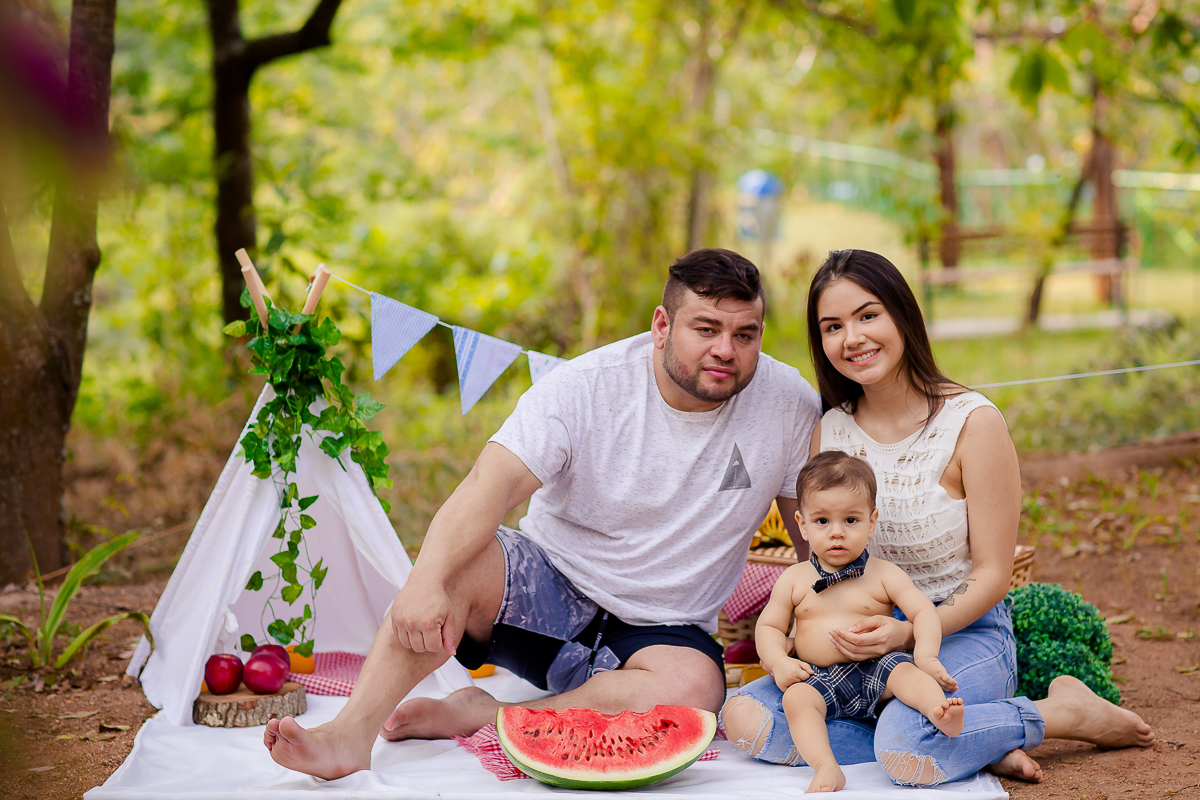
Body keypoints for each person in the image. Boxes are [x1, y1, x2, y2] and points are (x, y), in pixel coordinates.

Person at [263, 248, 823, 779]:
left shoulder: (785, 403)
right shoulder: (586, 386)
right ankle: (349, 734)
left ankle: (492, 715)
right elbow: (491, 482)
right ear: (661, 325)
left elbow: (812, 530)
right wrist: (426, 580)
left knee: (697, 691)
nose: (726, 349)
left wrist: (830, 616)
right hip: (550, 599)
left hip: (665, 633)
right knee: (458, 563)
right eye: (706, 328)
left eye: (743, 334)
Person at [721, 249, 1154, 787]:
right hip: (853, 650)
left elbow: (995, 574)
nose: (852, 338)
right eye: (832, 326)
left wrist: (904, 635)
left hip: (962, 634)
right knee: (745, 719)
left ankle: (1058, 713)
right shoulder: (830, 430)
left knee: (905, 742)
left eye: (867, 315)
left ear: (903, 313)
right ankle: (973, 738)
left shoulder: (972, 423)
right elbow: (821, 564)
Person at [758, 450, 964, 793]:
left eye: (850, 521)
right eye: (823, 521)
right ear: (802, 524)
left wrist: (926, 656)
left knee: (907, 673)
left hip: (876, 669)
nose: (837, 533)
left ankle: (939, 712)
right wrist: (779, 661)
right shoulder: (794, 578)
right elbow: (769, 627)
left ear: (871, 522)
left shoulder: (884, 573)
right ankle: (826, 766)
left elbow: (924, 612)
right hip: (820, 676)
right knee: (796, 700)